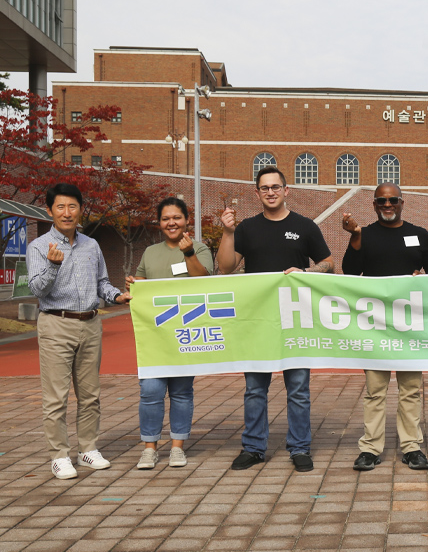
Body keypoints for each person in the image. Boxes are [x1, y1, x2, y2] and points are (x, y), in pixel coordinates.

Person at [217, 166, 334, 472]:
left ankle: (299, 447)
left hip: (295, 319)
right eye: (264, 188)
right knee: (255, 388)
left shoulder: (305, 226)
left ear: (286, 190)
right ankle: (254, 447)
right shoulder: (246, 229)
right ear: (257, 193)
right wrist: (228, 232)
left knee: (297, 388)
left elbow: (329, 264)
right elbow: (226, 267)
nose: (270, 192)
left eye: (275, 187)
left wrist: (306, 272)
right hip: (257, 320)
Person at [27, 183, 131, 480]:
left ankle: (88, 449)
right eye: (60, 207)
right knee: (56, 397)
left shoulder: (91, 245)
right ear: (49, 211)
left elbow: (102, 283)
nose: (67, 212)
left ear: (81, 209)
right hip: (55, 324)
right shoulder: (39, 247)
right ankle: (59, 456)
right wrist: (52, 266)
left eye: (72, 206)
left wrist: (116, 297)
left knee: (90, 395)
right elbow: (36, 288)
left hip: (90, 323)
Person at [342, 183, 428, 471]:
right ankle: (371, 448)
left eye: (393, 200)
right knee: (375, 390)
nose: (388, 205)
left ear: (402, 202)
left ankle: (411, 447)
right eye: (381, 201)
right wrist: (355, 237)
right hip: (374, 325)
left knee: (410, 389)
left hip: (409, 325)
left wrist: (420, 280)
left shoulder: (419, 234)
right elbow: (349, 273)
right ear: (374, 205)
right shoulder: (365, 235)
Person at [125, 197, 213, 470]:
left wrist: (188, 255)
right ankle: (149, 448)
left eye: (177, 218)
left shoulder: (199, 248)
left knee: (181, 391)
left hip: (185, 331)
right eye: (165, 219)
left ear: (186, 220)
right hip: (156, 332)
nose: (171, 223)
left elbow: (205, 281)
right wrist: (133, 285)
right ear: (160, 223)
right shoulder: (150, 252)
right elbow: (141, 282)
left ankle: (177, 447)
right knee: (150, 389)